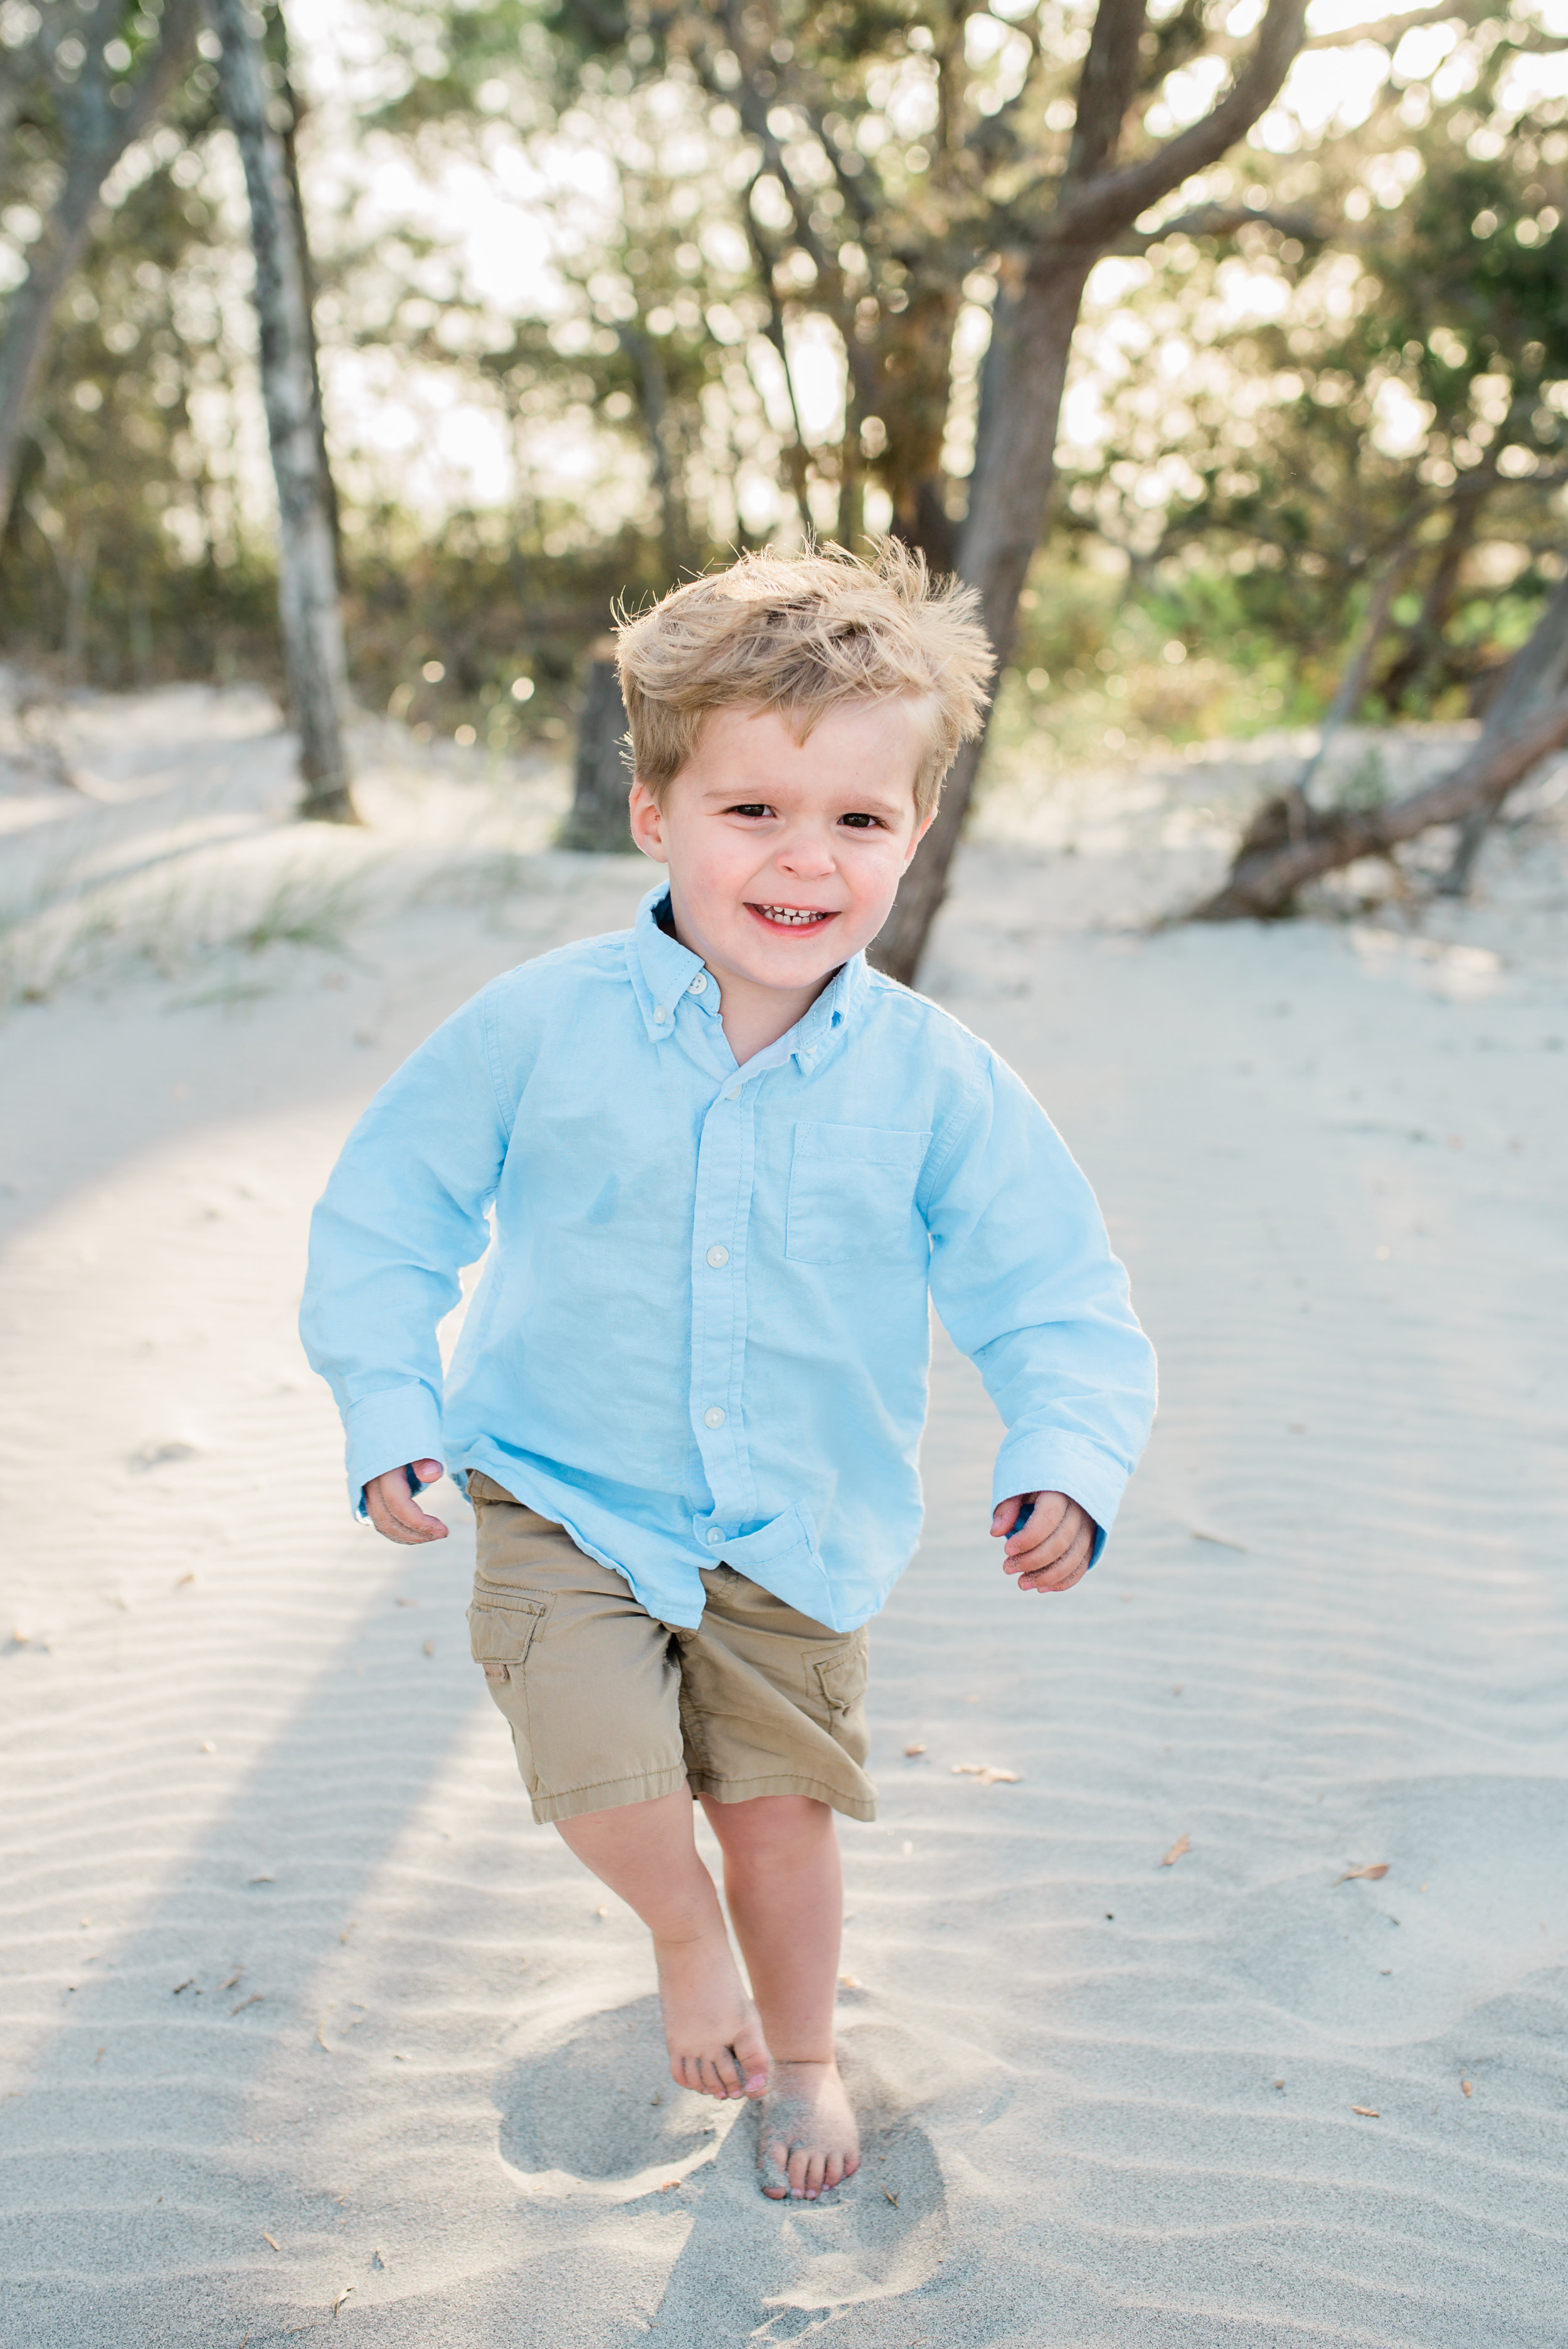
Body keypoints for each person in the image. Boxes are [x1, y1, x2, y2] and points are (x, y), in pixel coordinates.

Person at [300, 542, 1157, 2204]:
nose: (801, 858)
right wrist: (389, 1406)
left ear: (913, 834)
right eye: (750, 808)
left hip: (798, 1522)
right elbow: (384, 1214)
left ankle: (808, 2051)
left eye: (855, 819)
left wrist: (1069, 1450)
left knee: (779, 1815)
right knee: (606, 1763)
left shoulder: (934, 1081)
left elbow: (1050, 1283)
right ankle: (678, 1935)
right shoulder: (538, 1026)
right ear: (653, 814)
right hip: (560, 1483)